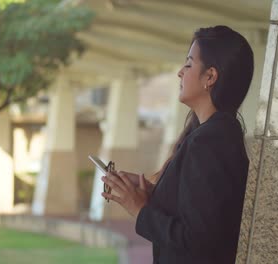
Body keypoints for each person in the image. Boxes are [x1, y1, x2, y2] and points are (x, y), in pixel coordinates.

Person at [100, 25, 254, 264]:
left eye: (189, 64)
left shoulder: (210, 141)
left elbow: (198, 241)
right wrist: (153, 194)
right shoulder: (215, 134)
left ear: (210, 77)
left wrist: (140, 209)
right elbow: (201, 213)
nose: (180, 72)